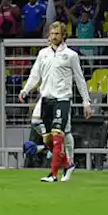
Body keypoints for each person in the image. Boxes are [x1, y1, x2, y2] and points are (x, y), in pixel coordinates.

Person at [19, 21, 91, 183]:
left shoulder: (71, 55)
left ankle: (53, 174)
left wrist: (86, 102)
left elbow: (80, 80)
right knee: (48, 138)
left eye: (57, 34)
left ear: (64, 35)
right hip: (46, 99)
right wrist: (25, 90)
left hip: (62, 99)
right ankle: (68, 164)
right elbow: (35, 75)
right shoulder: (43, 53)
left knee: (58, 134)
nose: (54, 37)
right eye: (52, 34)